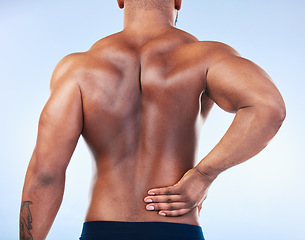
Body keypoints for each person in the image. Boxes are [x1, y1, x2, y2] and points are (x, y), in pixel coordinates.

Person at [19, 0, 286, 239]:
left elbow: (45, 174)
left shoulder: (78, 69)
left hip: (103, 230)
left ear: (120, 0)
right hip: (176, 228)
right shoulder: (205, 58)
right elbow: (269, 108)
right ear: (178, 1)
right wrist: (203, 175)